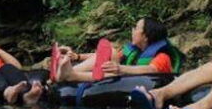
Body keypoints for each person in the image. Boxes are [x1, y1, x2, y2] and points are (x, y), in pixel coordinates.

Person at [55, 17, 184, 82]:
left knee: (115, 70)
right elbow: (102, 56)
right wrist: (77, 57)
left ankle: (70, 74)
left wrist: (121, 68)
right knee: (111, 52)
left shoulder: (163, 57)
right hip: (123, 78)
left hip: (141, 84)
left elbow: (151, 69)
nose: (132, 31)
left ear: (145, 36)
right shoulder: (134, 50)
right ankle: (66, 72)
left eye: (136, 28)